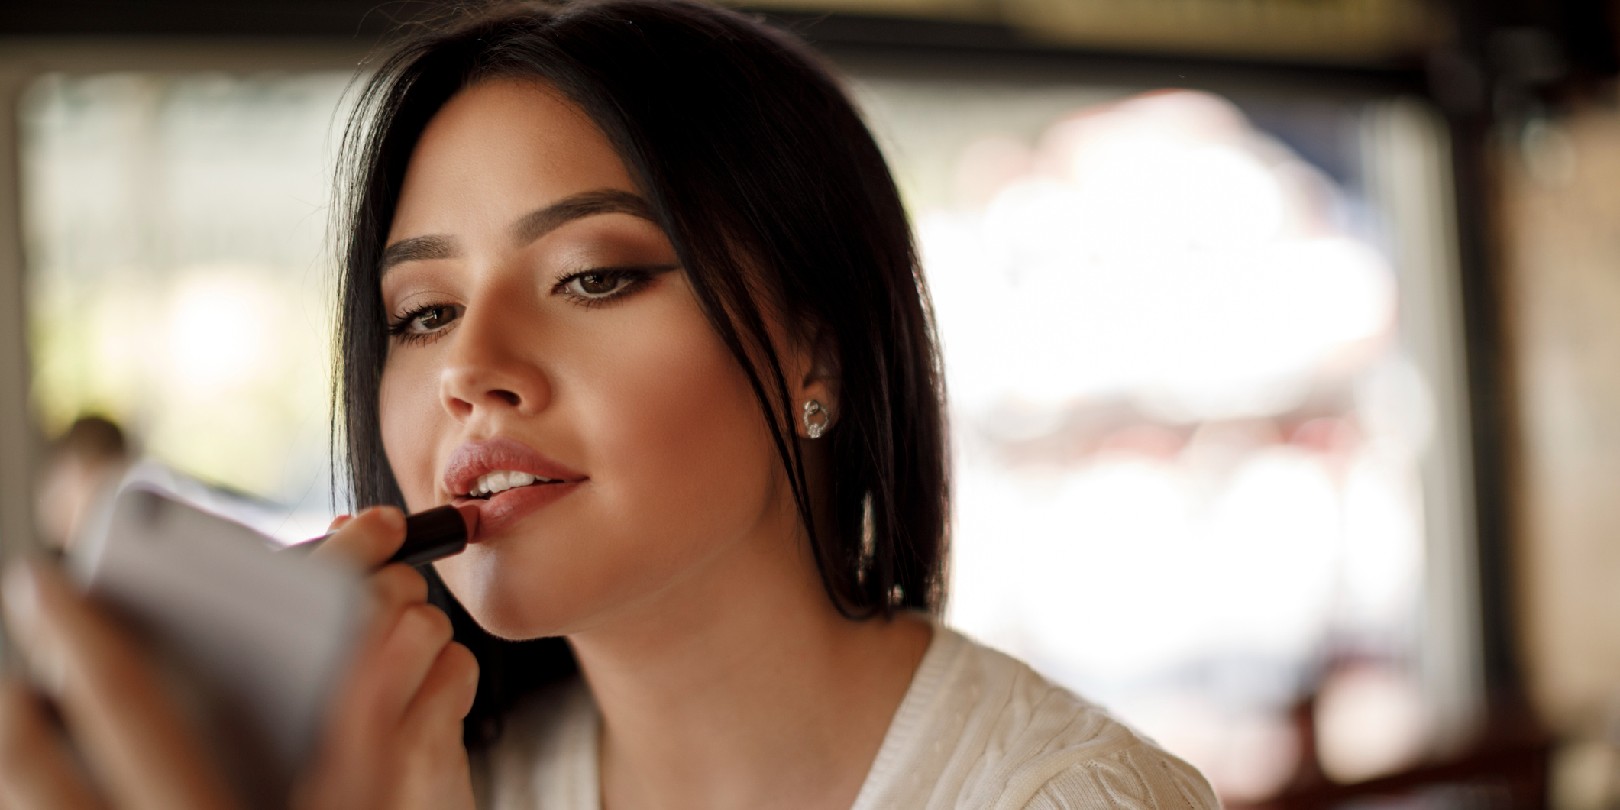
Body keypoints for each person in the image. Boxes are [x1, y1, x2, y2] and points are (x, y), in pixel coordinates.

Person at [0, 1, 1220, 807]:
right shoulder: (448, 780)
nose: (469, 368)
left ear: (822, 353)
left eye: (592, 276)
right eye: (421, 312)